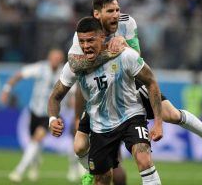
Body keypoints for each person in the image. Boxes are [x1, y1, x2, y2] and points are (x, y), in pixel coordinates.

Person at [67, 0, 202, 183]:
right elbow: (75, 64)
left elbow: (136, 55)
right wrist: (109, 52)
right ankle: (91, 167)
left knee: (172, 115)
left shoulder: (127, 22)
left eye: (117, 9)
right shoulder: (85, 33)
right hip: (102, 91)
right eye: (110, 11)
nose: (116, 15)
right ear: (97, 14)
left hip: (128, 83)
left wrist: (123, 45)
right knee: (80, 146)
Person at [48, 17, 163, 185]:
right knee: (102, 179)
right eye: (82, 41)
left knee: (143, 158)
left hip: (131, 115)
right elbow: (55, 96)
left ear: (102, 37)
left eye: (90, 40)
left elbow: (151, 81)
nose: (86, 46)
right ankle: (92, 171)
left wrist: (158, 122)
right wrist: (52, 119)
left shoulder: (124, 55)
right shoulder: (76, 67)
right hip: (100, 126)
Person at [0, 48, 64, 182]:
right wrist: (7, 89)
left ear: (61, 60)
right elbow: (19, 75)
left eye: (58, 58)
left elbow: (74, 89)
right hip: (34, 111)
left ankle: (18, 171)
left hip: (50, 114)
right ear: (49, 58)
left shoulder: (64, 73)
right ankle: (35, 165)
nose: (55, 60)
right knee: (33, 143)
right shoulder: (40, 68)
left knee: (37, 139)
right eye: (53, 57)